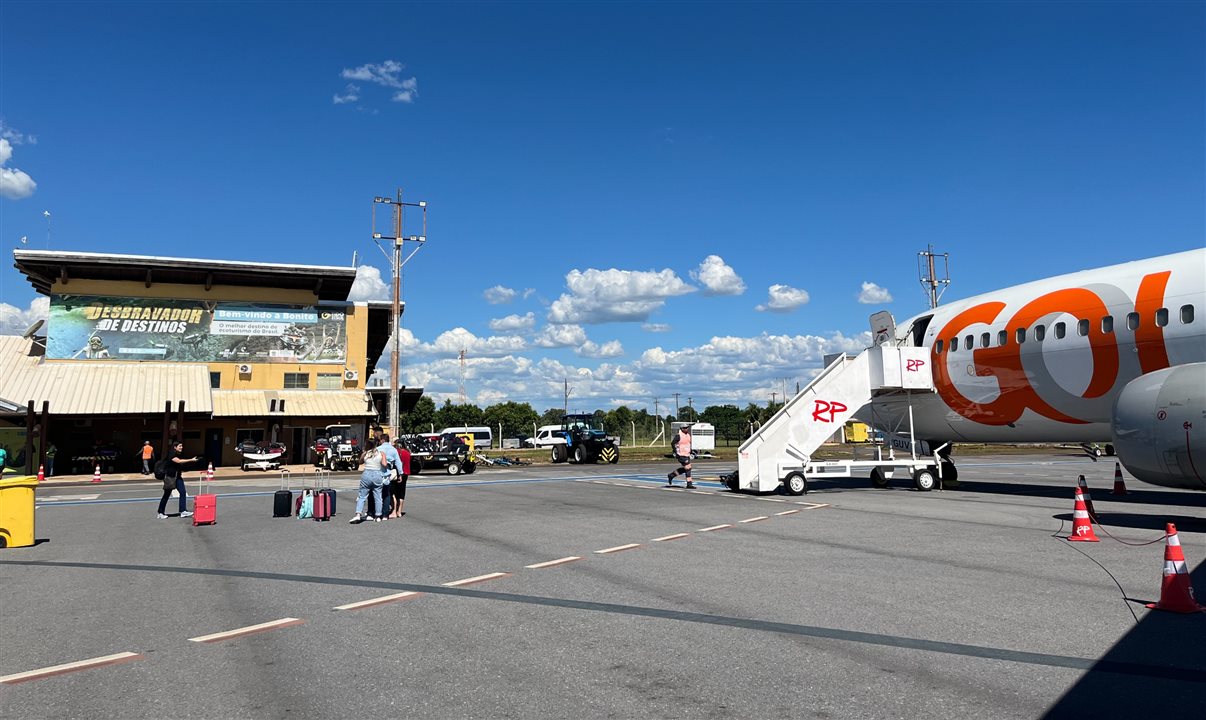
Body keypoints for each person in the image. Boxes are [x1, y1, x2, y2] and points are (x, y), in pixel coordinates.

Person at [349, 437, 390, 524]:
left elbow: (360, 462)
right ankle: (378, 516)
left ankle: (358, 514)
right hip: (377, 474)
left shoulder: (365, 453)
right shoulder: (381, 453)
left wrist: (364, 454)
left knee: (362, 496)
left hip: (367, 474)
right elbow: (384, 464)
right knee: (378, 496)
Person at [156, 441, 199, 519]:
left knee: (183, 492)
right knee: (166, 495)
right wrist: (191, 460)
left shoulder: (178, 454)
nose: (181, 447)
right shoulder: (171, 454)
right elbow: (178, 461)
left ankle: (183, 511)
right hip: (170, 477)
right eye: (180, 446)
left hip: (178, 477)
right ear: (175, 447)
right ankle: (160, 512)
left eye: (182, 446)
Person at [667, 425, 695, 489]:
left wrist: (691, 451)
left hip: (687, 454)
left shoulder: (688, 435)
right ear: (681, 429)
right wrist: (675, 452)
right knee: (688, 467)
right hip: (681, 454)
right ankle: (689, 484)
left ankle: (672, 475)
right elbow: (673, 443)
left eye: (687, 427)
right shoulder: (679, 435)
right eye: (684, 428)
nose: (686, 429)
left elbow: (688, 444)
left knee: (686, 468)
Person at [389, 442, 412, 518]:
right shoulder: (408, 452)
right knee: (402, 493)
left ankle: (394, 510)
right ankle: (399, 511)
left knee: (394, 492)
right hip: (406, 473)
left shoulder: (397, 452)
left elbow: (397, 463)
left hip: (398, 473)